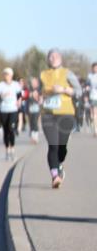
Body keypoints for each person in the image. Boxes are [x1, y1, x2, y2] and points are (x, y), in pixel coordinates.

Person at [39, 49, 82, 188]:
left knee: (61, 148)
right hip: (48, 114)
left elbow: (79, 91)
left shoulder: (67, 73)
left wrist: (64, 90)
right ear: (48, 59)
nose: (53, 58)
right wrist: (38, 96)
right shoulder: (43, 75)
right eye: (50, 56)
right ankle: (55, 176)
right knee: (53, 145)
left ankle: (59, 165)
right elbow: (38, 91)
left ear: (61, 58)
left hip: (66, 114)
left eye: (56, 55)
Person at [0, 67, 22, 161]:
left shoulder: (15, 85)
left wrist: (19, 101)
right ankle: (7, 151)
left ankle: (12, 149)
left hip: (13, 109)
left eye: (8, 74)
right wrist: (1, 96)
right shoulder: (0, 85)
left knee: (11, 129)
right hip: (3, 110)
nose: (6, 76)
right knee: (6, 131)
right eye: (5, 74)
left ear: (11, 75)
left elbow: (19, 95)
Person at [26, 77, 42, 144]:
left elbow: (41, 99)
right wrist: (30, 94)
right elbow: (26, 96)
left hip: (36, 108)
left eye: (34, 82)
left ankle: (36, 137)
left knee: (35, 121)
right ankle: (32, 137)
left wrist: (38, 98)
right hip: (29, 108)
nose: (33, 84)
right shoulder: (29, 89)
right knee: (31, 122)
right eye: (32, 82)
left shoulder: (39, 89)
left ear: (37, 83)